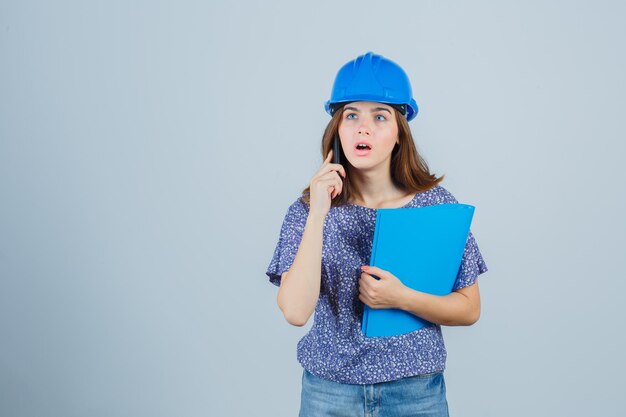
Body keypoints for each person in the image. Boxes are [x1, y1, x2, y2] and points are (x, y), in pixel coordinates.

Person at [265, 51, 488, 417]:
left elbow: (469, 309)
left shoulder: (435, 207)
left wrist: (401, 297)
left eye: (380, 117)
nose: (362, 128)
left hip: (415, 393)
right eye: (351, 115)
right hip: (329, 393)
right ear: (337, 128)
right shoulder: (307, 210)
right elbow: (294, 311)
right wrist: (319, 212)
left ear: (399, 133)